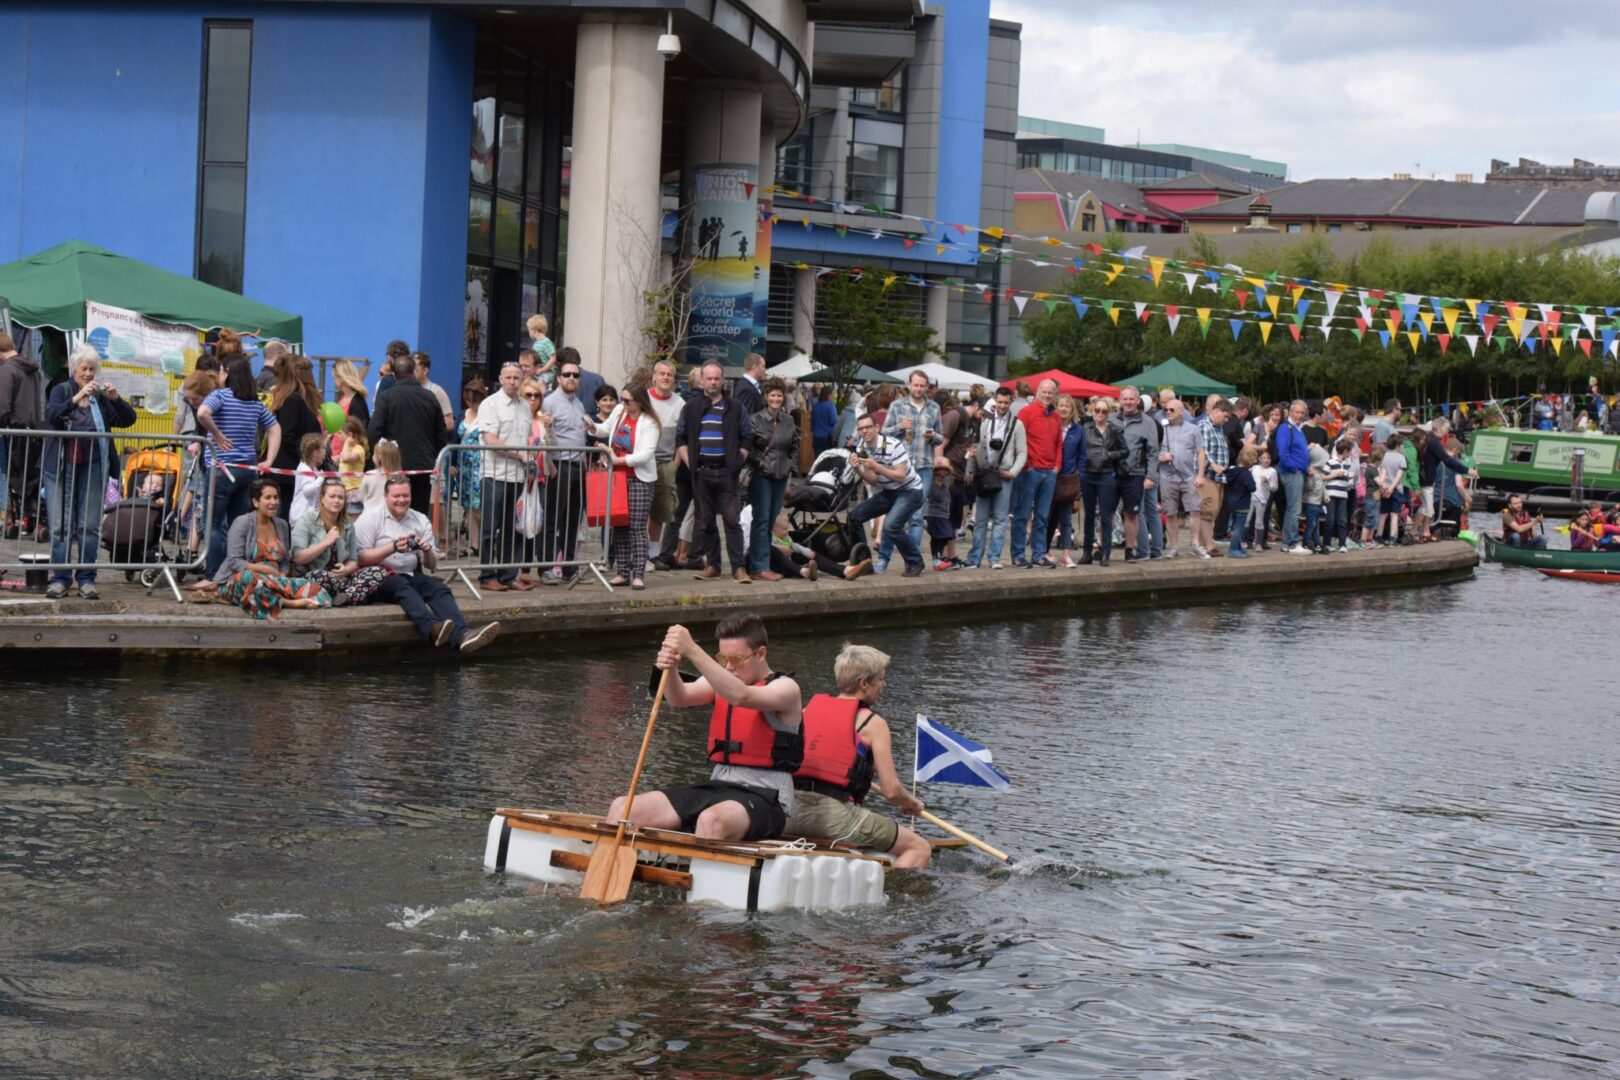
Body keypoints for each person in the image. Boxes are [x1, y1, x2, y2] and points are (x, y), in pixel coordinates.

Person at [611, 614, 804, 841]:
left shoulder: (786, 688)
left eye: (737, 660)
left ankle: (699, 873)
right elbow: (679, 697)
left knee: (710, 820)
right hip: (719, 786)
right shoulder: (721, 681)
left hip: (767, 798)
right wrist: (671, 667)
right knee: (623, 807)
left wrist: (692, 649)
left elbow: (741, 696)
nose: (729, 667)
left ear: (760, 653)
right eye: (723, 659)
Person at [783, 644, 931, 867]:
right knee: (919, 847)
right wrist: (912, 803)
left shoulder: (805, 712)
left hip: (788, 813)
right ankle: (893, 895)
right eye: (880, 679)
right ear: (864, 684)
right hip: (835, 820)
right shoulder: (874, 724)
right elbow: (891, 790)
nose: (884, 684)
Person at [355, 474, 501, 653]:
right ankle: (432, 628)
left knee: (438, 588)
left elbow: (431, 566)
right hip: (377, 576)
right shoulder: (370, 519)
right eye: (396, 496)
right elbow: (361, 558)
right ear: (386, 496)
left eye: (405, 496)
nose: (401, 500)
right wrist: (392, 547)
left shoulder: (420, 519)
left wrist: (426, 550)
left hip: (409, 573)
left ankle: (463, 636)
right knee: (402, 586)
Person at [40, 346, 137, 599]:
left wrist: (116, 398)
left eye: (92, 369)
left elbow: (128, 420)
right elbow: (51, 415)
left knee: (89, 525)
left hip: (93, 465)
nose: (88, 373)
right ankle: (60, 578)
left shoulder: (101, 398)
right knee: (61, 525)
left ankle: (86, 579)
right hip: (61, 466)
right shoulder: (62, 390)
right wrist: (76, 398)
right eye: (84, 368)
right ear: (74, 370)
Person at [195, 357, 281, 581]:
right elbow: (275, 428)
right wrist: (269, 460)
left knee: (212, 524)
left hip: (221, 467)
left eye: (222, 371)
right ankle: (235, 572)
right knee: (239, 524)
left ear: (227, 373)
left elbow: (202, 413)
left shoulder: (220, 395)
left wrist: (217, 434)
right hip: (247, 469)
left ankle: (213, 574)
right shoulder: (254, 403)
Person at [210, 478, 332, 618]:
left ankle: (277, 596)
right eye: (268, 498)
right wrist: (265, 569)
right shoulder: (242, 523)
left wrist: (283, 574)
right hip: (240, 581)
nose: (273, 502)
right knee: (250, 579)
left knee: (315, 589)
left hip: (275, 580)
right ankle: (289, 603)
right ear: (256, 502)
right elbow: (234, 561)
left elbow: (285, 560)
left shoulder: (282, 525)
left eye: (276, 497)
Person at [682, 360, 752, 583]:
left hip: (727, 473)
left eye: (716, 378)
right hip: (701, 472)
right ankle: (713, 565)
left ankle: (738, 568)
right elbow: (681, 437)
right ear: (702, 380)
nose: (712, 382)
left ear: (722, 380)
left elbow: (747, 435)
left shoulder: (735, 407)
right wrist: (690, 462)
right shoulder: (691, 407)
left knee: (732, 521)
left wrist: (738, 459)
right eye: (708, 378)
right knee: (705, 521)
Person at [587, 382, 659, 589]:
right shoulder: (619, 411)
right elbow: (604, 429)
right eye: (622, 399)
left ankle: (638, 572)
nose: (622, 403)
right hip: (617, 477)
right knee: (619, 525)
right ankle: (622, 572)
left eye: (627, 401)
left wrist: (615, 459)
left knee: (636, 527)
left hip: (638, 478)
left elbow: (644, 455)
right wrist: (591, 426)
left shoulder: (649, 422)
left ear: (639, 401)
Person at [474, 361, 535, 592]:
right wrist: (518, 454)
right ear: (500, 379)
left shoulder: (524, 407)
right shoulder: (490, 404)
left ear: (522, 380)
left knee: (513, 528)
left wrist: (528, 456)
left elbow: (527, 439)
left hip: (517, 477)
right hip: (494, 474)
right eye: (508, 377)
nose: (512, 382)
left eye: (516, 378)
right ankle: (487, 575)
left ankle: (509, 575)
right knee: (491, 527)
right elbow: (491, 440)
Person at [847, 413, 927, 577]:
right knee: (854, 517)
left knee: (891, 526)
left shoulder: (893, 445)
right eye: (861, 428)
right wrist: (857, 469)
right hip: (890, 491)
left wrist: (877, 466)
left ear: (877, 428)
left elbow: (900, 476)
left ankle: (915, 562)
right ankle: (865, 561)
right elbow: (874, 481)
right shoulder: (862, 447)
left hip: (910, 490)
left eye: (868, 427)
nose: (864, 431)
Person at [366, 352, 447, 515]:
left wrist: (380, 457)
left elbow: (373, 431)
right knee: (418, 515)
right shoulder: (429, 397)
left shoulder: (385, 397)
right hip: (422, 465)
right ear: (413, 372)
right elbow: (441, 433)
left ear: (394, 374)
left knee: (393, 512)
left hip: (392, 464)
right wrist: (431, 454)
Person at [880, 370, 943, 571]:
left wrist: (933, 436)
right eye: (915, 385)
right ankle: (883, 559)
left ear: (927, 387)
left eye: (922, 386)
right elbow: (883, 433)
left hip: (924, 467)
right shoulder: (897, 406)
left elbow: (941, 437)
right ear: (909, 385)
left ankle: (912, 560)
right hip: (900, 467)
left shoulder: (934, 408)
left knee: (916, 517)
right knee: (893, 517)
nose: (918, 389)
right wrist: (899, 426)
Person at [540, 348, 593, 580]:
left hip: (577, 467)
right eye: (567, 375)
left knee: (573, 521)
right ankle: (546, 567)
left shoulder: (579, 404)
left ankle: (569, 568)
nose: (572, 378)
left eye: (576, 375)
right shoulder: (550, 402)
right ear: (559, 378)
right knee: (553, 519)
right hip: (558, 466)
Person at [293, 477, 386, 605]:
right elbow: (298, 557)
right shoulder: (307, 520)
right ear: (322, 498)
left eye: (340, 497)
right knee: (323, 577)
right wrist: (325, 542)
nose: (336, 500)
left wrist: (346, 570)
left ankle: (344, 597)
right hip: (315, 576)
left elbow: (354, 560)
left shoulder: (347, 524)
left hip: (341, 578)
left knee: (378, 571)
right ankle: (354, 595)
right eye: (332, 496)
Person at [965, 386, 1026, 569]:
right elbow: (975, 447)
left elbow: (1023, 453)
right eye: (999, 402)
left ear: (1011, 402)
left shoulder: (1017, 424)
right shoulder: (986, 421)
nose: (1002, 406)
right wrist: (970, 470)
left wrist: (1013, 472)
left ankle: (994, 557)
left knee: (1000, 519)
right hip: (984, 473)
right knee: (981, 519)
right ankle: (975, 557)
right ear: (995, 401)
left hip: (1004, 474)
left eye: (1006, 403)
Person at [747, 377, 799, 580]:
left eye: (779, 395)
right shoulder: (755, 420)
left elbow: (794, 446)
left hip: (780, 476)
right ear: (766, 397)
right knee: (761, 520)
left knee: (770, 522)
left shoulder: (789, 420)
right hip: (762, 476)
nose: (776, 398)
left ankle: (762, 563)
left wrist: (791, 469)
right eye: (773, 395)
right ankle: (759, 567)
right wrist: (759, 463)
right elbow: (748, 448)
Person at [1011, 378, 1063, 568]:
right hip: (1029, 472)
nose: (1048, 395)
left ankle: (1039, 554)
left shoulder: (1056, 417)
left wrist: (1057, 466)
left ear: (1055, 394)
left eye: (1051, 392)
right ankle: (1018, 554)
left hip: (1049, 472)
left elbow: (1059, 443)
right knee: (1022, 515)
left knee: (1042, 517)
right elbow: (1016, 439)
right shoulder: (1027, 412)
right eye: (1044, 391)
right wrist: (1026, 465)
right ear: (1037, 392)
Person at [268, 353, 325, 520]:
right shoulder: (293, 400)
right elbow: (288, 435)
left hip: (297, 472)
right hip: (291, 474)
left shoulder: (297, 399)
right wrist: (310, 455)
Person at [0, 332, 44, 541]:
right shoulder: (33, 369)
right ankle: (35, 520)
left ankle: (12, 520)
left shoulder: (8, 370)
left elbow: (2, 405)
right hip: (33, 430)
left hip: (13, 431)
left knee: (13, 477)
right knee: (31, 479)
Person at [1113, 386, 1161, 562]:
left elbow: (1153, 452)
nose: (1128, 402)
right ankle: (1103, 548)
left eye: (1131, 399)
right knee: (1106, 512)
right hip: (1113, 474)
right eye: (1125, 399)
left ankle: (1134, 550)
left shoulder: (1147, 422)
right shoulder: (1112, 419)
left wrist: (1151, 476)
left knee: (1133, 513)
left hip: (1136, 473)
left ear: (1138, 400)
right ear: (1119, 400)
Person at [1079, 396, 1127, 565]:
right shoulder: (1085, 428)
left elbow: (1124, 451)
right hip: (1088, 474)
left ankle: (1106, 552)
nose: (1100, 413)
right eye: (1097, 410)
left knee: (1106, 516)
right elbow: (1079, 449)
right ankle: (1087, 552)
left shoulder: (1115, 429)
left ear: (1109, 413)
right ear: (1092, 410)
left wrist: (1110, 455)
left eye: (1104, 411)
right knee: (1089, 515)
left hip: (1107, 474)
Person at [645, 360, 684, 555]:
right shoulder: (643, 399)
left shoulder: (679, 403)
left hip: (666, 464)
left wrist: (675, 464)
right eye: (662, 373)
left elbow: (682, 438)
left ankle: (652, 554)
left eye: (670, 374)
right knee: (640, 510)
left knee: (660, 510)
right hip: (643, 462)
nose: (666, 377)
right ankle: (638, 551)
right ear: (654, 377)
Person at [1157, 398, 1204, 559]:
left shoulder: (1193, 429)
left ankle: (1196, 544)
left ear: (1181, 411)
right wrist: (1162, 457)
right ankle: (1174, 547)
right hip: (1167, 476)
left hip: (1188, 476)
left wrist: (1200, 475)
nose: (1168, 412)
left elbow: (1200, 452)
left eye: (1171, 410)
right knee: (1170, 512)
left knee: (1195, 510)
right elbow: (1151, 452)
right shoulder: (1161, 429)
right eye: (1166, 410)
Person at [766, 513, 869, 581]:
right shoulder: (769, 536)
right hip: (776, 563)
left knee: (810, 553)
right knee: (775, 550)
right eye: (784, 529)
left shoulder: (785, 537)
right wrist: (779, 548)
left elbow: (794, 545)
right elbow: (760, 545)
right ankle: (805, 572)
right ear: (774, 530)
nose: (787, 531)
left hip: (789, 559)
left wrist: (806, 551)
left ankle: (846, 570)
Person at [1193, 398, 1233, 559]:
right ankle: (1209, 545)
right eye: (1225, 416)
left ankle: (1202, 545)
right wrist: (1212, 465)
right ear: (1216, 412)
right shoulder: (1204, 427)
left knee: (1212, 511)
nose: (1227, 420)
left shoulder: (1218, 428)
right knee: (1207, 510)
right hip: (1207, 475)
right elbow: (1201, 451)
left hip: (1218, 477)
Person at [451, 380, 486, 555]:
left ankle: (482, 539)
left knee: (478, 505)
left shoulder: (487, 416)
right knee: (468, 505)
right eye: (470, 401)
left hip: (480, 465)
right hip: (463, 467)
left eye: (476, 401)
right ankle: (474, 542)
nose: (473, 404)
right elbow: (454, 440)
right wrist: (451, 463)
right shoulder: (461, 416)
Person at [1050, 394, 1084, 567]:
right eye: (1060, 405)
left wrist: (1079, 476)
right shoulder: (1050, 426)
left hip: (1068, 478)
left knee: (1066, 518)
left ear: (1072, 410)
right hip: (1050, 476)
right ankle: (1045, 551)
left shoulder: (1078, 430)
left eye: (1067, 406)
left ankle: (1066, 554)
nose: (1063, 408)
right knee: (1047, 516)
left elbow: (1082, 455)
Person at [1276, 399, 1310, 553]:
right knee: (1294, 509)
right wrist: (1295, 468)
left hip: (1298, 472)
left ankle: (1287, 542)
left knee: (1292, 508)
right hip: (1291, 472)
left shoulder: (1298, 429)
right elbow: (1283, 452)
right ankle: (1292, 542)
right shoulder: (1285, 428)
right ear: (1290, 412)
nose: (1300, 415)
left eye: (1302, 413)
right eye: (1297, 412)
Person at [1224, 446, 1259, 558]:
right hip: (1242, 504)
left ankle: (1239, 547)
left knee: (1235, 526)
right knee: (1239, 528)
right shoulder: (1246, 473)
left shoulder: (1232, 471)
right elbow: (1252, 487)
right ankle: (1234, 549)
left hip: (1232, 503)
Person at [1323, 437, 1355, 553]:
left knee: (1342, 520)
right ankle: (1326, 544)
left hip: (1343, 495)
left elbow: (1350, 477)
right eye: (1350, 451)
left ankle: (1342, 544)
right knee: (1330, 520)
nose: (1350, 453)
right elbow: (1323, 477)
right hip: (1331, 494)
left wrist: (1350, 479)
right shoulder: (1330, 461)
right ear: (1346, 451)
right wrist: (1335, 474)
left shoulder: (1348, 463)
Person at [289, 432, 327, 523]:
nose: (325, 451)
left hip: (310, 517)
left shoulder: (313, 469)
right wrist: (320, 479)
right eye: (323, 448)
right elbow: (307, 491)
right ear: (315, 453)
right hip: (301, 518)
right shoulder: (305, 469)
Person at [413, 353, 456, 433]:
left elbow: (449, 423)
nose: (412, 372)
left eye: (415, 369)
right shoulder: (407, 390)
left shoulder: (437, 391)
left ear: (425, 371)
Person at [360, 439, 402, 514]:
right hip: (392, 514)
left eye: (374, 454)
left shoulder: (369, 474)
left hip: (370, 513)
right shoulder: (401, 476)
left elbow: (361, 496)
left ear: (378, 457)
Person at [338, 417, 369, 516]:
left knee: (353, 517)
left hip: (354, 492)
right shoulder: (348, 449)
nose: (338, 437)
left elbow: (346, 458)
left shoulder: (358, 449)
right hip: (346, 491)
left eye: (340, 434)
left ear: (349, 435)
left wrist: (346, 443)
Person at [1301, 442, 1328, 554]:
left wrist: (1325, 495)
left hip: (1318, 502)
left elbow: (1322, 486)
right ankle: (1306, 542)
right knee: (1311, 524)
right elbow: (1310, 487)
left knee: (1315, 524)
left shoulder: (1320, 473)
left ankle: (1317, 543)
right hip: (1312, 501)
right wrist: (1310, 477)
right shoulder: (1312, 472)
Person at [1249, 448, 1278, 552]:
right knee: (1247, 520)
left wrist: (1267, 483)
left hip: (1262, 499)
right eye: (1264, 458)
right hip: (1251, 497)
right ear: (1259, 459)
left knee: (1259, 521)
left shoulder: (1272, 471)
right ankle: (1245, 541)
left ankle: (1259, 543)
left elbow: (1275, 487)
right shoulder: (1254, 468)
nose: (1266, 460)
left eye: (1268, 458)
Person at [332, 359, 371, 429]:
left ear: (341, 378)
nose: (334, 381)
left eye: (335, 378)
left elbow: (358, 430)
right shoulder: (343, 398)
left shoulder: (357, 402)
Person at [526, 314, 557, 388]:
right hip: (538, 372)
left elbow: (553, 358)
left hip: (547, 373)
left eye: (529, 330)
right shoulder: (537, 343)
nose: (529, 333)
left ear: (534, 331)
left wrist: (543, 369)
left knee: (539, 384)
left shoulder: (546, 342)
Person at [733, 352, 766, 417]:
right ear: (755, 367)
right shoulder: (746, 388)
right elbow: (748, 418)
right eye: (763, 366)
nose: (764, 369)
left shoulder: (752, 385)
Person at [811, 385, 839, 457]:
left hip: (816, 437)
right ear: (828, 395)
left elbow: (812, 424)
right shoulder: (831, 405)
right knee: (827, 461)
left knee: (818, 460)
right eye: (833, 394)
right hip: (827, 437)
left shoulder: (816, 406)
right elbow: (834, 421)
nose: (833, 396)